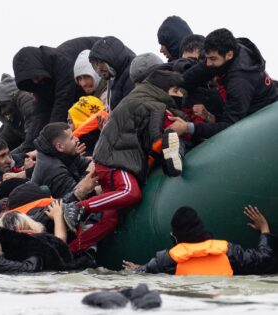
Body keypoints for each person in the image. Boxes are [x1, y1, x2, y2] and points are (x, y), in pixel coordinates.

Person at [64, 70, 191, 254]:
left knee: (110, 221)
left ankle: (69, 251)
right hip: (117, 161)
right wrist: (174, 139)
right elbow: (156, 137)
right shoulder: (155, 106)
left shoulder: (135, 99)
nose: (180, 95)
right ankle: (78, 207)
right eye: (176, 90)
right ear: (164, 90)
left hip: (107, 159)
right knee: (131, 192)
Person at [169, 28, 278, 139]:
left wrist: (189, 128)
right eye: (207, 58)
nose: (208, 63)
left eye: (212, 59)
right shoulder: (233, 49)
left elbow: (230, 127)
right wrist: (177, 84)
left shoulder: (240, 82)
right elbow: (202, 69)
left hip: (262, 123)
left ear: (229, 55)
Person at [123, 205, 276, 275]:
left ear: (176, 236)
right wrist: (264, 229)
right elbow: (264, 259)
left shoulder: (166, 260)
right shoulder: (229, 252)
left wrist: (137, 268)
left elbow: (145, 270)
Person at [13, 37, 100, 152]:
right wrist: (28, 148)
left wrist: (47, 144)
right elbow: (40, 114)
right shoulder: (42, 80)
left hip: (99, 85)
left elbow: (62, 105)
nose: (35, 81)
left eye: (35, 76)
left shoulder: (61, 63)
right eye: (31, 79)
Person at [32, 122, 98, 199]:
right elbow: (75, 198)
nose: (77, 139)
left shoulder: (63, 154)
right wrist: (89, 173)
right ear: (60, 146)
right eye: (72, 138)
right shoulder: (54, 170)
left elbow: (88, 164)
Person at [89, 36, 136, 110]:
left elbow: (129, 112)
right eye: (96, 63)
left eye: (102, 62)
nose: (99, 67)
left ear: (113, 59)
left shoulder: (131, 76)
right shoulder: (114, 75)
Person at [0, 73, 35, 153]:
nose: (2, 111)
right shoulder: (14, 124)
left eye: (4, 105)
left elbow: (31, 140)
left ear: (14, 99)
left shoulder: (28, 102)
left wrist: (11, 156)